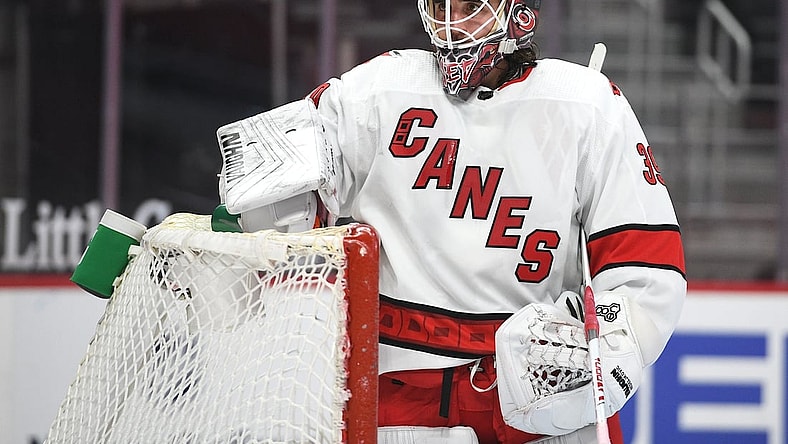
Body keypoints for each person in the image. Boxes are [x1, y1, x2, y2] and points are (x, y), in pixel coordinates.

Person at [215, 0, 686, 442]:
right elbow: (270, 207)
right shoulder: (377, 90)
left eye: (468, 7)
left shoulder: (588, 108)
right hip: (392, 396)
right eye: (440, 5)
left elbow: (646, 274)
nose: (449, 24)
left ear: (520, 17)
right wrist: (233, 247)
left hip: (532, 407)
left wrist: (597, 354)